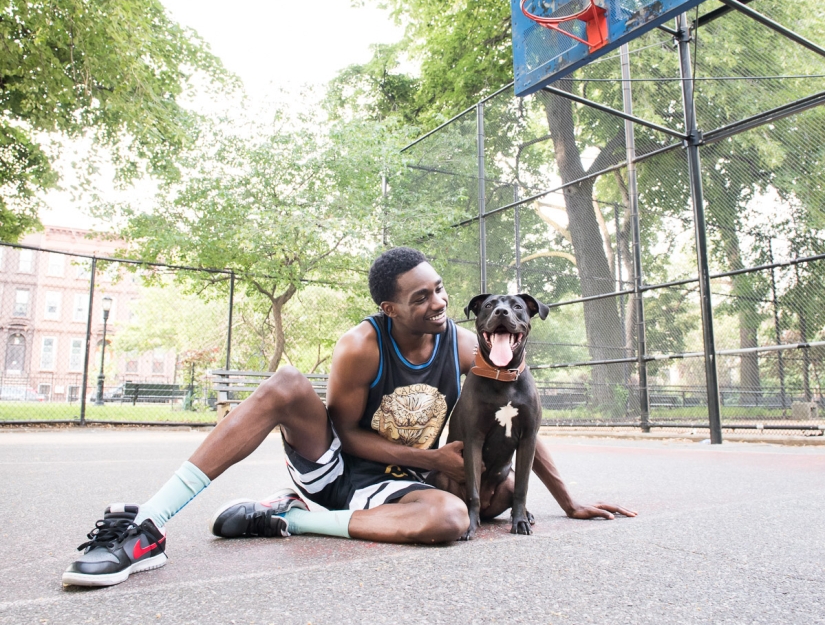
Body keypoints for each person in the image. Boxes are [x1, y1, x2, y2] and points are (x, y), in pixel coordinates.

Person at [62, 247, 636, 587]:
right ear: (390, 308)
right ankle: (146, 526)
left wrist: (568, 502)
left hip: (407, 479)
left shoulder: (463, 343)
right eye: (420, 298)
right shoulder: (362, 345)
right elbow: (350, 437)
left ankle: (286, 520)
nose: (437, 303)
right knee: (287, 382)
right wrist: (433, 459)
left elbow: (517, 418)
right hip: (340, 470)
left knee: (473, 509)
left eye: (438, 290)